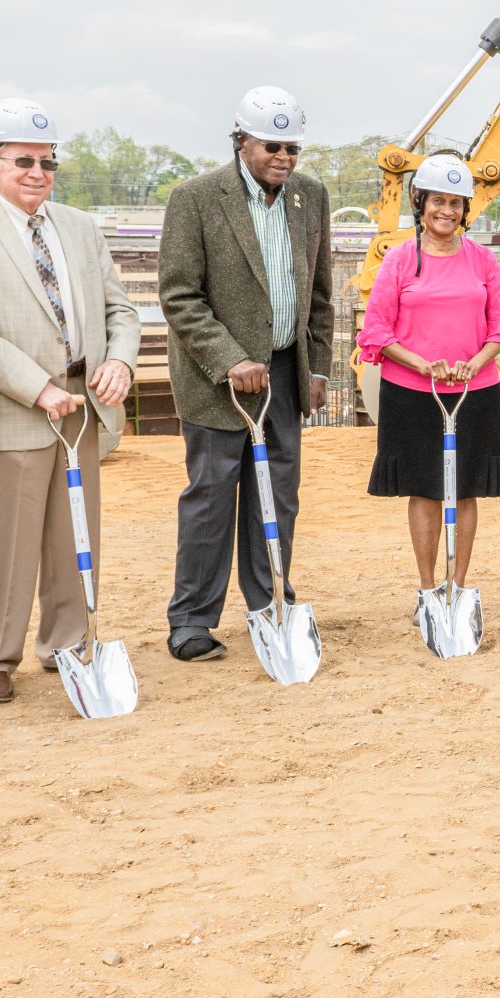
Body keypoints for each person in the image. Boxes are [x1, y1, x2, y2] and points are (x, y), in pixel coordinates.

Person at [0, 98, 141, 704]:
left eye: (48, 163)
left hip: (85, 402)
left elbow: (119, 310)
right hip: (12, 409)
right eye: (22, 161)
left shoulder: (79, 227)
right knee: (6, 540)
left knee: (74, 534)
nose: (37, 174)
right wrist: (39, 387)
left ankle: (70, 641)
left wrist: (120, 361)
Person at [157, 85, 334, 662]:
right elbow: (180, 295)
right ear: (240, 142)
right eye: (271, 146)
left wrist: (317, 367)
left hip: (284, 373)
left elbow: (321, 294)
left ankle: (269, 602)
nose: (284, 157)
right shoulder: (197, 199)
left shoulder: (310, 197)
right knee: (211, 496)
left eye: (292, 147)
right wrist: (230, 357)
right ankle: (191, 620)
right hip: (219, 381)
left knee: (278, 494)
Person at [359, 153, 500, 592]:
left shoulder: (482, 260)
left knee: (465, 489)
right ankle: (428, 587)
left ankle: (459, 584)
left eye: (456, 202)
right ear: (419, 201)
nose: (446, 211)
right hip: (411, 391)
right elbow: (377, 330)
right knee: (425, 488)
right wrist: (421, 363)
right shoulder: (398, 260)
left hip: (475, 390)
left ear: (465, 208)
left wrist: (475, 363)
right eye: (438, 201)